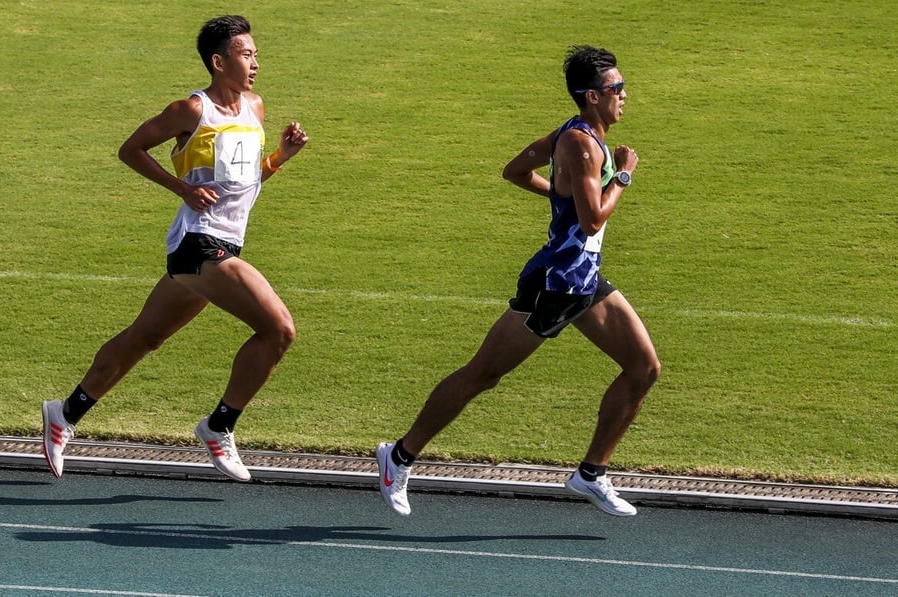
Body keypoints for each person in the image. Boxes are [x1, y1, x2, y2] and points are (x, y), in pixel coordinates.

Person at [376, 45, 660, 517]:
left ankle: (591, 473)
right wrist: (624, 176)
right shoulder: (583, 145)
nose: (624, 96)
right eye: (617, 89)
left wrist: (562, 201)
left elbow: (517, 172)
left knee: (644, 368)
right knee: (482, 374)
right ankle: (399, 457)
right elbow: (592, 221)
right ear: (592, 96)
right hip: (555, 285)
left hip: (583, 281)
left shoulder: (577, 132)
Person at [42, 15, 308, 481]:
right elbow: (131, 149)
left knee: (144, 339)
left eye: (256, 55)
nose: (255, 63)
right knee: (279, 329)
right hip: (198, 244)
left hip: (224, 243)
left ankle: (63, 415)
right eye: (246, 54)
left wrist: (279, 159)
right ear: (218, 61)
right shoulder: (191, 110)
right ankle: (218, 426)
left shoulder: (255, 108)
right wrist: (180, 188)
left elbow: (243, 182)